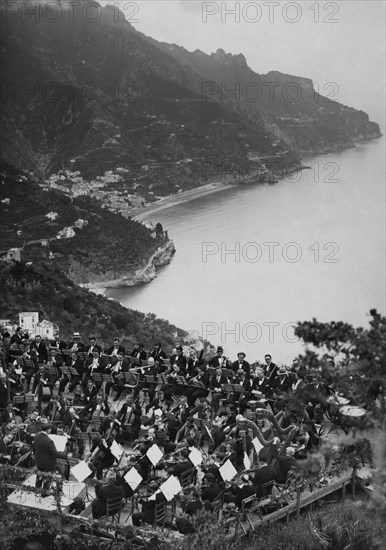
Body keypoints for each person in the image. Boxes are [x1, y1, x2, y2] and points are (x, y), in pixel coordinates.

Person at [33, 422, 68, 494]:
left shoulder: (37, 436)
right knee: (46, 482)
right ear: (48, 430)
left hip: (39, 462)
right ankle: (44, 493)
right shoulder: (49, 441)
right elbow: (54, 454)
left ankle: (37, 491)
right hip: (48, 465)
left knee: (39, 479)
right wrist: (65, 456)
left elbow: (34, 448)